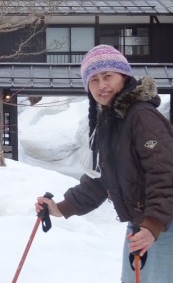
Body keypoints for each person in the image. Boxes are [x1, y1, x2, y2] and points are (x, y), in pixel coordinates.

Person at [35, 44, 173, 282]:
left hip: (164, 226)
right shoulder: (110, 121)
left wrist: (153, 225)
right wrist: (63, 207)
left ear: (124, 77)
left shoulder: (141, 116)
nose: (102, 85)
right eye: (94, 80)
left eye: (108, 76)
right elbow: (102, 180)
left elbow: (164, 173)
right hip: (142, 226)